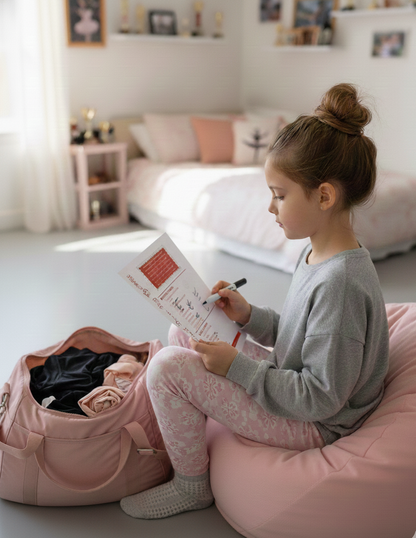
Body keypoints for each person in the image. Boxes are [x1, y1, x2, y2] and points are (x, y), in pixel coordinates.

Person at [120, 83, 389, 520]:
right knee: (185, 330)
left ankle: (192, 485)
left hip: (315, 425)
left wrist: (237, 368)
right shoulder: (318, 251)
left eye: (279, 196)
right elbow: (303, 335)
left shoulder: (341, 284)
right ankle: (189, 424)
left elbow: (320, 398)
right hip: (295, 388)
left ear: (324, 196)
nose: (270, 207)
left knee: (168, 367)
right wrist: (250, 317)